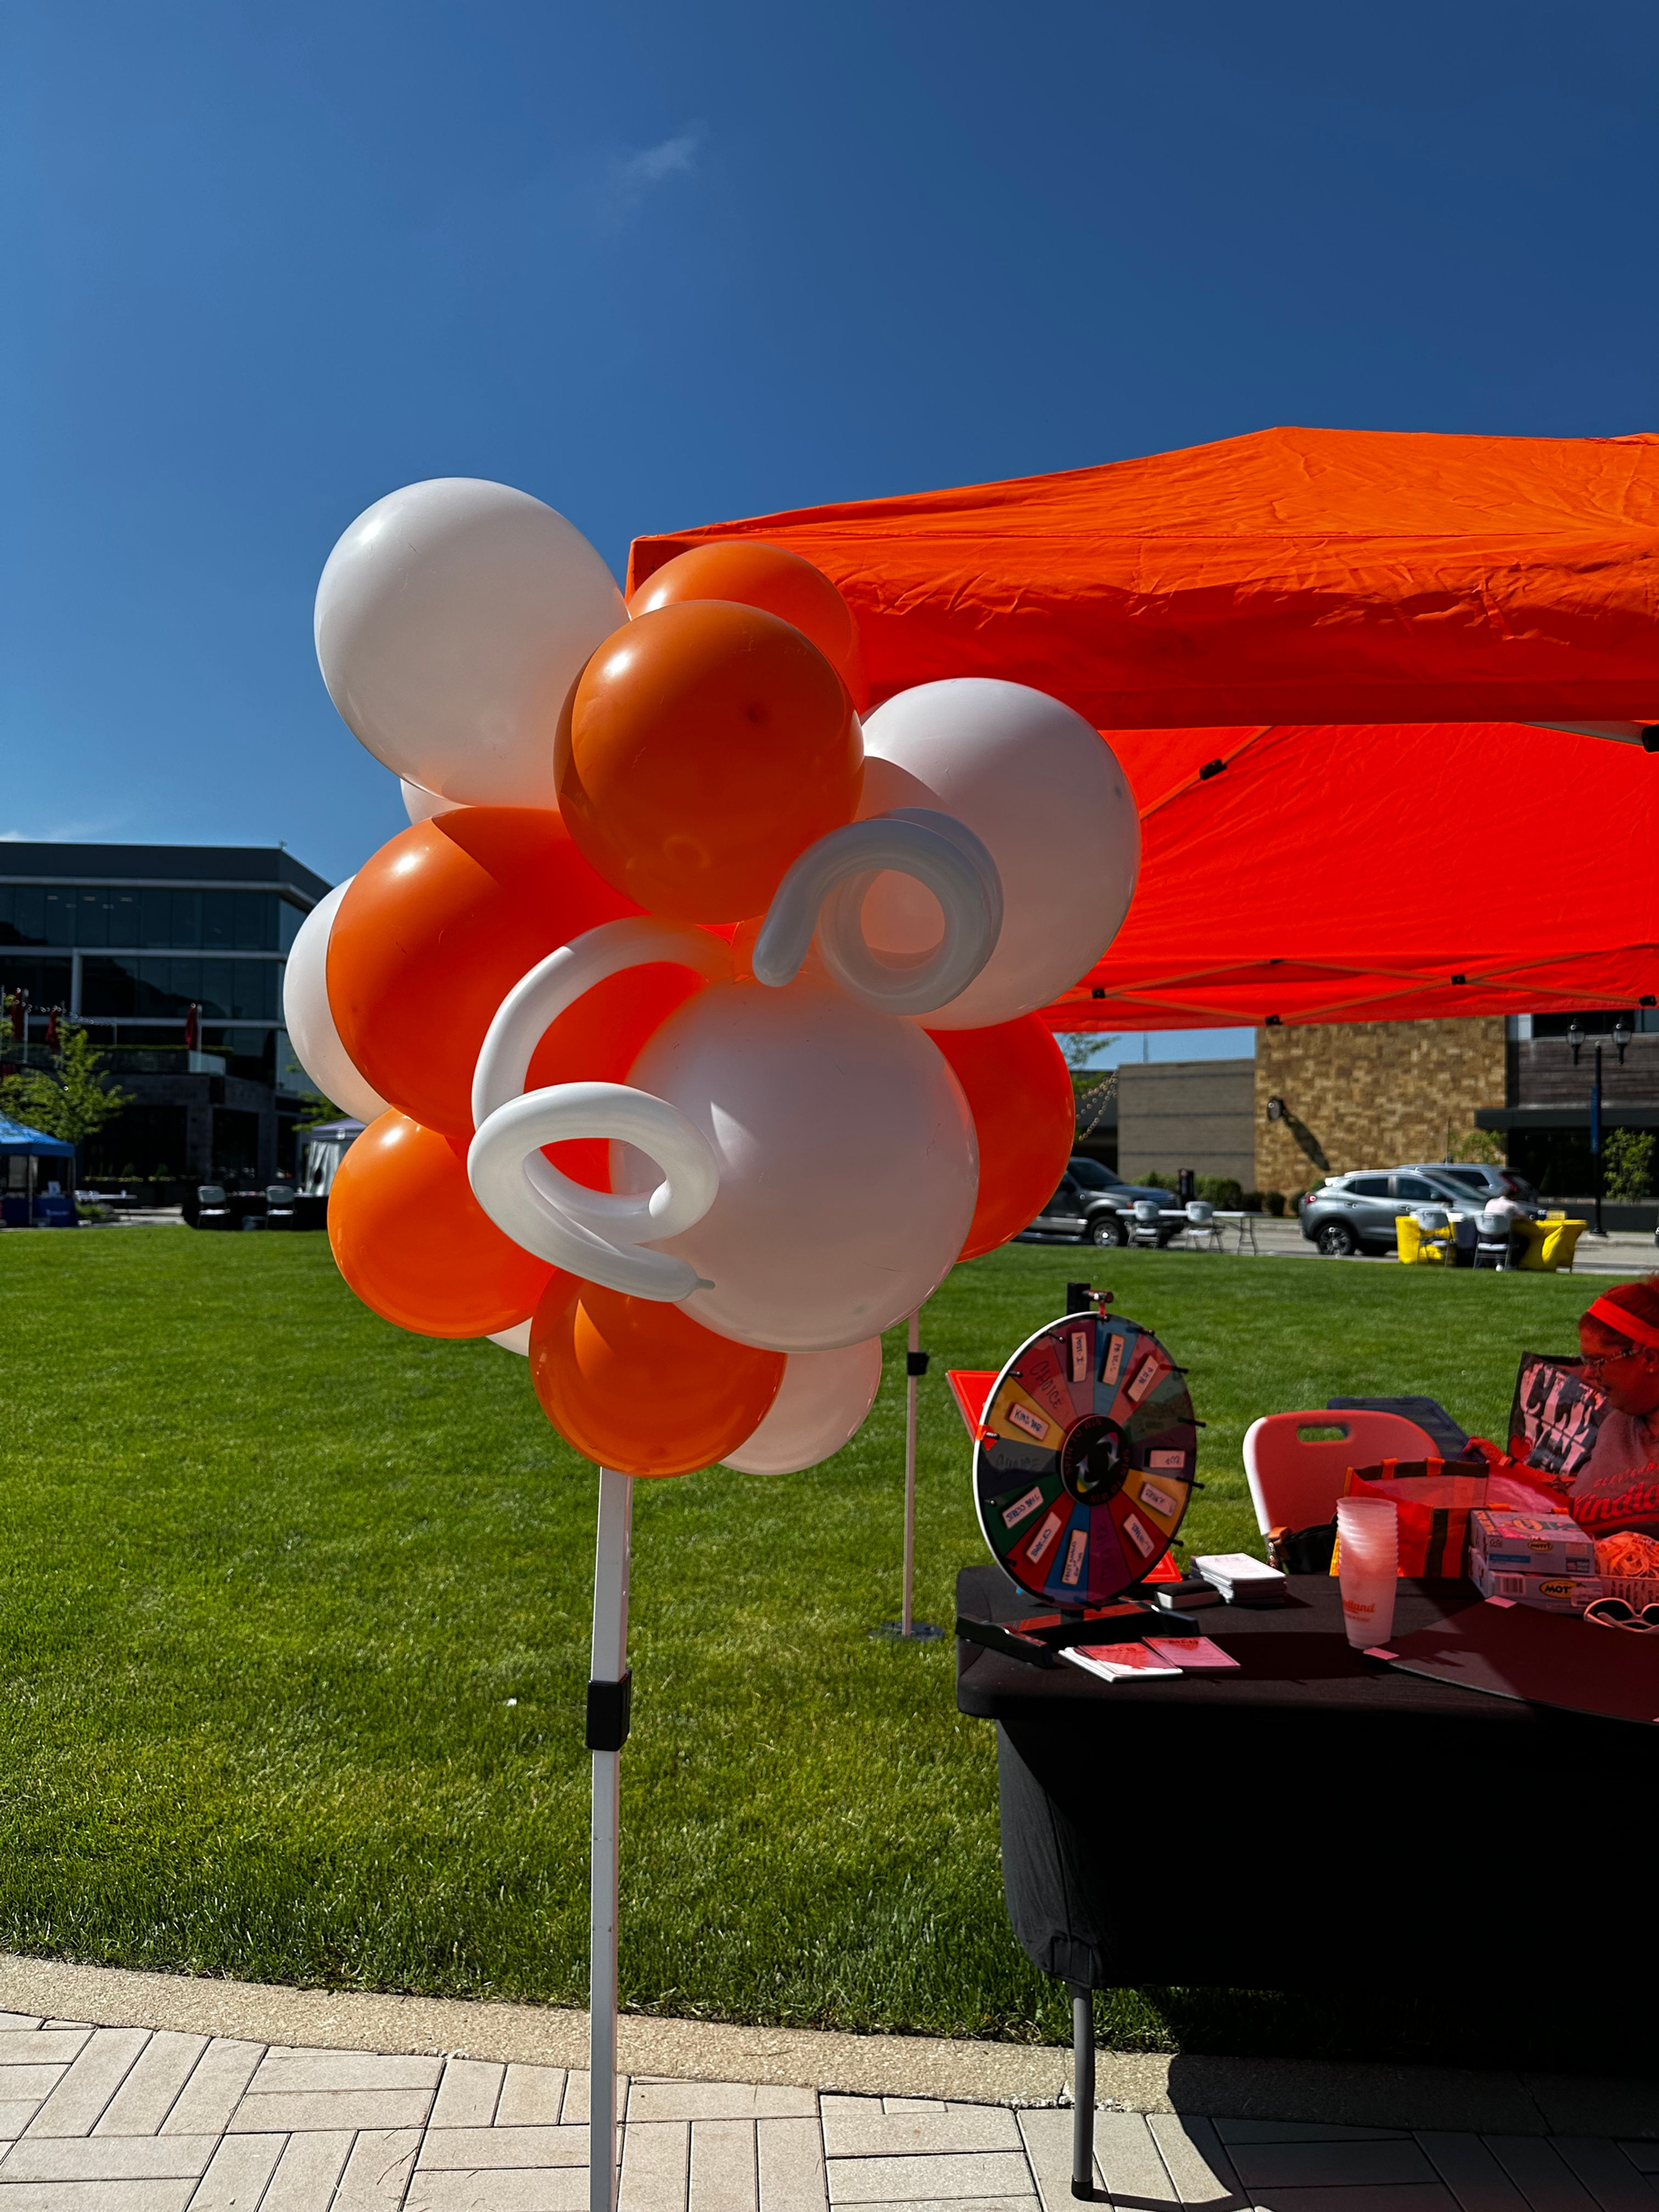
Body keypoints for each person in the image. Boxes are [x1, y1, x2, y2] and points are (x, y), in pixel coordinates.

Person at [1567, 1278, 1659, 1537]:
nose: (1588, 1374)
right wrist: (1509, 1469)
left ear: (1650, 1358)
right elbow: (1588, 1495)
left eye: (1598, 1361)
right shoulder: (1618, 1422)